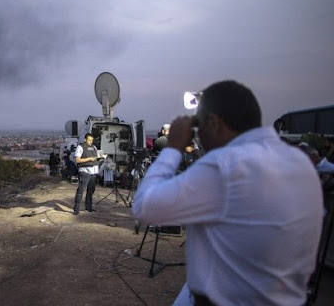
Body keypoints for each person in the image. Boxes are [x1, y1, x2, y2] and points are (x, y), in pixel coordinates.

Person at [132, 80, 323, 305]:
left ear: (215, 123)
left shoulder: (225, 164)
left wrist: (173, 146)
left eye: (199, 128)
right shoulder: (299, 162)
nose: (198, 137)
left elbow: (145, 207)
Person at [73, 132, 105, 215]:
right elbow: (77, 160)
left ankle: (89, 207)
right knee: (81, 190)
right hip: (85, 172)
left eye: (92, 140)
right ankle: (76, 209)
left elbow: (96, 157)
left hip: (94, 172)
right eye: (89, 140)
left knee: (91, 191)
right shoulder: (81, 147)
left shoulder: (94, 147)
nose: (91, 142)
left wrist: (102, 157)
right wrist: (89, 159)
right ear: (85, 140)